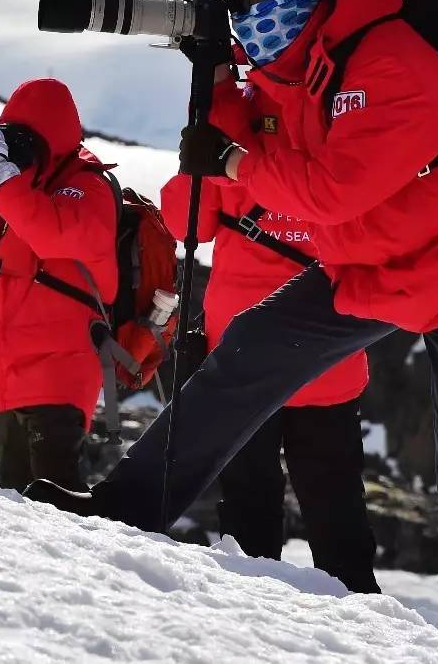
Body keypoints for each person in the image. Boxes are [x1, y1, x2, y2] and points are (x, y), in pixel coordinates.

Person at [27, 0, 438, 661]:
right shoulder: (291, 63)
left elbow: (329, 191)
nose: (246, 18)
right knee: (243, 359)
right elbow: (255, 133)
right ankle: (126, 506)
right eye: (235, 4)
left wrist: (231, 158)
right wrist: (214, 76)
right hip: (370, 263)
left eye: (258, 0)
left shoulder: (393, 63)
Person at [161, 86, 379, 594]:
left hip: (244, 359)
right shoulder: (340, 126)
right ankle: (359, 620)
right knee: (336, 506)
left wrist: (200, 145)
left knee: (248, 506)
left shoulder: (228, 137)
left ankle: (254, 614)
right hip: (328, 359)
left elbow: (184, 222)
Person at [0, 78, 118, 492]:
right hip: (7, 374)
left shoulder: (88, 185)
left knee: (58, 508)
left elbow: (52, 233)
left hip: (58, 375)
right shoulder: (13, 190)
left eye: (26, 138)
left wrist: (5, 177)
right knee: (21, 519)